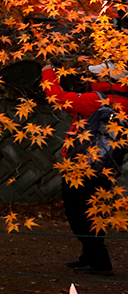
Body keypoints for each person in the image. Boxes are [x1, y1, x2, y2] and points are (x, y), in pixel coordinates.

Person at [43, 62, 128, 276]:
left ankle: (99, 260)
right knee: (93, 212)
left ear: (106, 80)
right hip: (105, 165)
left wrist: (47, 71)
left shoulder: (97, 101)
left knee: (77, 212)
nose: (90, 81)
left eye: (95, 77)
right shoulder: (124, 101)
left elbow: (58, 97)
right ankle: (90, 256)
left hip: (82, 165)